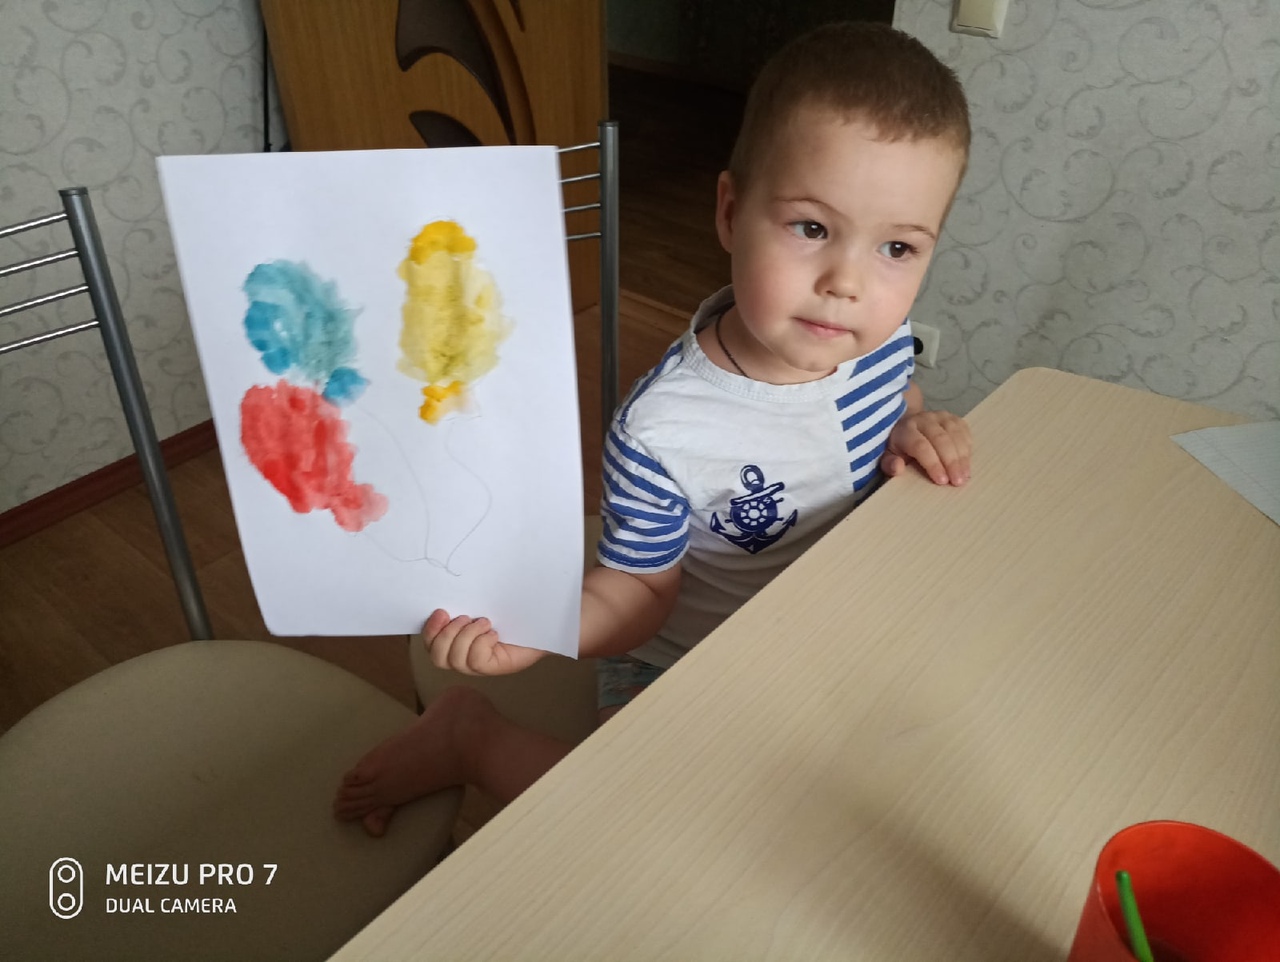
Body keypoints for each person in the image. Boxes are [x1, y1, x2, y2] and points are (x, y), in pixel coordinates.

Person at [334, 20, 974, 837]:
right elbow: (639, 591)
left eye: (897, 248)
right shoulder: (664, 427)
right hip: (682, 657)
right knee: (638, 828)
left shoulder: (878, 341)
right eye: (812, 229)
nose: (847, 283)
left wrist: (916, 428)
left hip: (822, 628)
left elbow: (897, 405)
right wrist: (541, 630)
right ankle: (474, 739)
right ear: (731, 212)